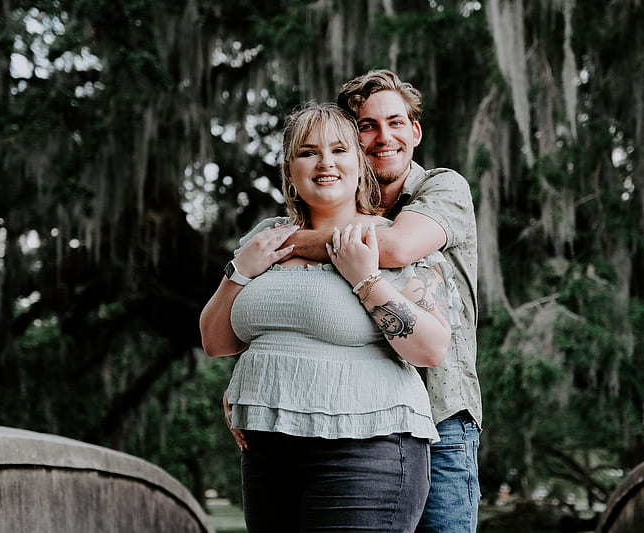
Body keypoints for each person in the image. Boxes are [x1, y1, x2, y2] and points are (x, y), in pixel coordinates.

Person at [199, 102, 463, 532]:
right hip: (268, 451)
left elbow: (431, 349)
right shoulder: (265, 239)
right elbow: (216, 342)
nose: (325, 163)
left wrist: (365, 279)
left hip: (367, 451)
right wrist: (239, 270)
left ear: (359, 164)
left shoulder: (394, 241)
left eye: (339, 150)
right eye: (307, 152)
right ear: (290, 168)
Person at [267, 70, 483, 532]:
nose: (384, 137)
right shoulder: (328, 205)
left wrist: (279, 244)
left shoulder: (442, 188)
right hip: (359, 421)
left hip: (439, 412)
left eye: (396, 122)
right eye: (366, 126)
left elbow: (399, 247)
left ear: (415, 130)